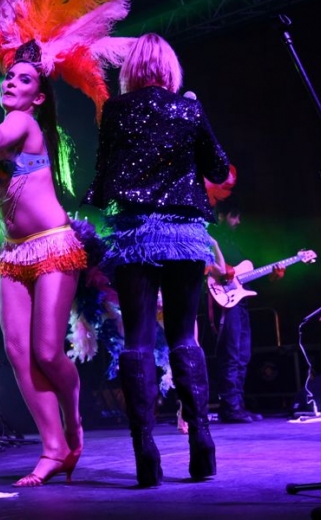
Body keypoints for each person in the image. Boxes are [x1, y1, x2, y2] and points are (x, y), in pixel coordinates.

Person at [84, 33, 230, 487]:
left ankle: (145, 453)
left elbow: (102, 178)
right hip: (184, 235)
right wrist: (195, 115)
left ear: (131, 70)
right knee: (185, 336)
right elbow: (219, 169)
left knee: (138, 340)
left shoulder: (115, 110)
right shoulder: (189, 108)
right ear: (170, 68)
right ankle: (201, 443)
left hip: (135, 237)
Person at [0, 43, 86, 487]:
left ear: (38, 97)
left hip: (52, 245)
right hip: (13, 252)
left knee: (47, 351)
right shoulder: (8, 126)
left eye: (24, 79)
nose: (12, 82)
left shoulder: (23, 122)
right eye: (9, 76)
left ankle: (73, 418)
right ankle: (53, 449)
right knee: (17, 351)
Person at [208, 200, 285, 423]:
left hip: (240, 302)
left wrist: (272, 276)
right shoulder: (211, 238)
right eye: (234, 216)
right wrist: (221, 272)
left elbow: (246, 275)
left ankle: (237, 405)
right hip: (225, 302)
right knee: (231, 354)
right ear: (221, 216)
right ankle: (230, 407)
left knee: (243, 354)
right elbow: (210, 268)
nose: (238, 221)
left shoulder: (235, 242)